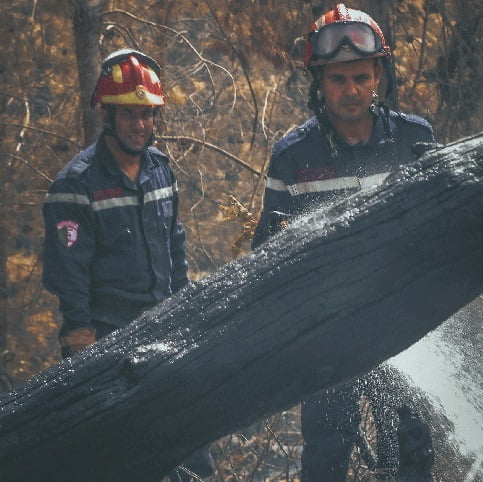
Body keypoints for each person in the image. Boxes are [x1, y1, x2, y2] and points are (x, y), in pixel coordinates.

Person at [252, 4, 436, 480]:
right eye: (338, 79)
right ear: (319, 81)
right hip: (328, 332)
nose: (351, 90)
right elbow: (266, 257)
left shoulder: (414, 140)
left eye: (360, 77)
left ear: (378, 76)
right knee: (326, 455)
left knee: (412, 450)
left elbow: (442, 234)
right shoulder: (293, 157)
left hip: (405, 326)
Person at [43, 49, 214, 482]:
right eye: (129, 115)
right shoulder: (76, 185)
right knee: (119, 460)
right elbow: (69, 274)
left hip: (165, 329)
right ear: (107, 115)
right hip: (108, 342)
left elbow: (175, 246)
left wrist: (186, 312)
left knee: (192, 454)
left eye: (147, 114)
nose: (140, 125)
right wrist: (81, 344)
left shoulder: (161, 171)